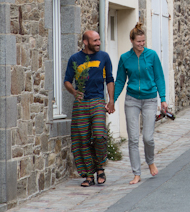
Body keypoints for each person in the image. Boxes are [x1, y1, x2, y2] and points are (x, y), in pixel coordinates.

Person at [113, 23, 168, 185]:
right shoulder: (125, 58)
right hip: (132, 100)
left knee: (148, 138)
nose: (141, 44)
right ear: (131, 40)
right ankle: (136, 173)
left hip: (150, 99)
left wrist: (163, 98)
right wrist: (112, 100)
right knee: (133, 139)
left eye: (143, 41)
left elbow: (159, 77)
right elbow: (120, 81)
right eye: (138, 41)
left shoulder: (151, 56)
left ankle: (150, 161)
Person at [64, 31, 115, 187]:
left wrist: (111, 100)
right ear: (85, 42)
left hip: (98, 101)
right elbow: (67, 81)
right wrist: (74, 92)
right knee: (82, 140)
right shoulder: (74, 59)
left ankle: (100, 167)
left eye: (99, 39)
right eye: (95, 40)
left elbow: (110, 79)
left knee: (99, 135)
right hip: (81, 104)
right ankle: (88, 175)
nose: (99, 42)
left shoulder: (104, 57)